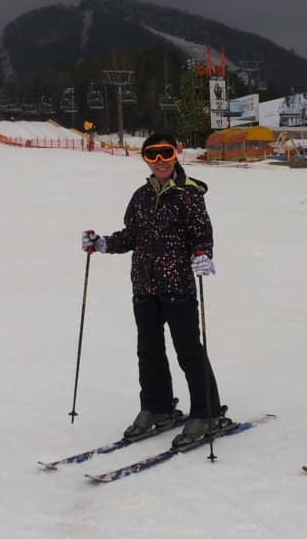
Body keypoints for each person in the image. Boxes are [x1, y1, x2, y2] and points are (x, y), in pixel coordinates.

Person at [81, 133, 233, 449]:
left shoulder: (189, 195)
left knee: (188, 349)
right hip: (144, 286)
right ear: (146, 159)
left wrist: (202, 255)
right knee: (148, 351)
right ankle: (157, 407)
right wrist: (103, 243)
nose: (160, 161)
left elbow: (202, 234)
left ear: (176, 155)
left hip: (177, 284)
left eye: (165, 153)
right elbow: (131, 236)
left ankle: (207, 411)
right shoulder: (140, 196)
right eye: (153, 155)